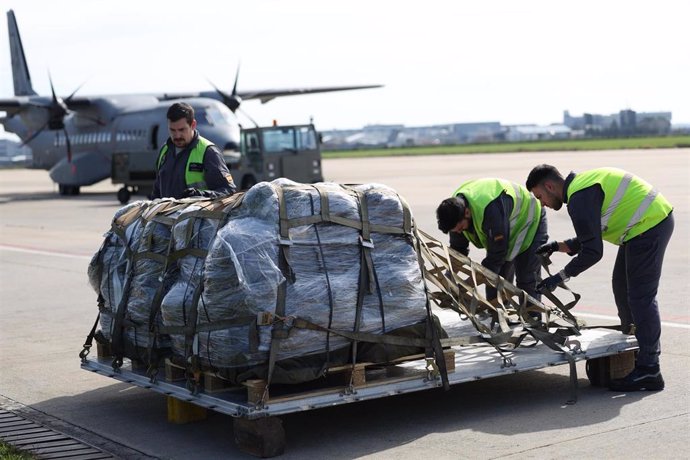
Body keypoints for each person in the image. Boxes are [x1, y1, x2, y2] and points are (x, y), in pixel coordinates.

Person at [525, 164, 674, 392]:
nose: (542, 203)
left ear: (549, 186)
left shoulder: (579, 198)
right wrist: (558, 246)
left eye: (540, 196)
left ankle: (649, 369)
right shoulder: (582, 188)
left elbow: (593, 251)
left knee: (641, 297)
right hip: (643, 226)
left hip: (648, 227)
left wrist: (559, 277)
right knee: (622, 288)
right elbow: (591, 235)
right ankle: (637, 349)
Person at [436, 178, 548, 307]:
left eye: (461, 228)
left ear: (467, 212)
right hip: (506, 224)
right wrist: (449, 280)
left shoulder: (490, 210)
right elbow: (458, 251)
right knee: (495, 279)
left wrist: (467, 285)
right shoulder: (455, 213)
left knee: (525, 277)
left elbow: (497, 255)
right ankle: (501, 314)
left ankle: (533, 317)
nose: (460, 233)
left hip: (530, 218)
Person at [151, 102, 236, 199]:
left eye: (182, 130)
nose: (177, 136)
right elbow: (157, 191)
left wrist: (200, 195)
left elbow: (228, 191)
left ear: (193, 125)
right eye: (172, 130)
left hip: (197, 214)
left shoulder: (209, 153)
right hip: (167, 214)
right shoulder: (164, 151)